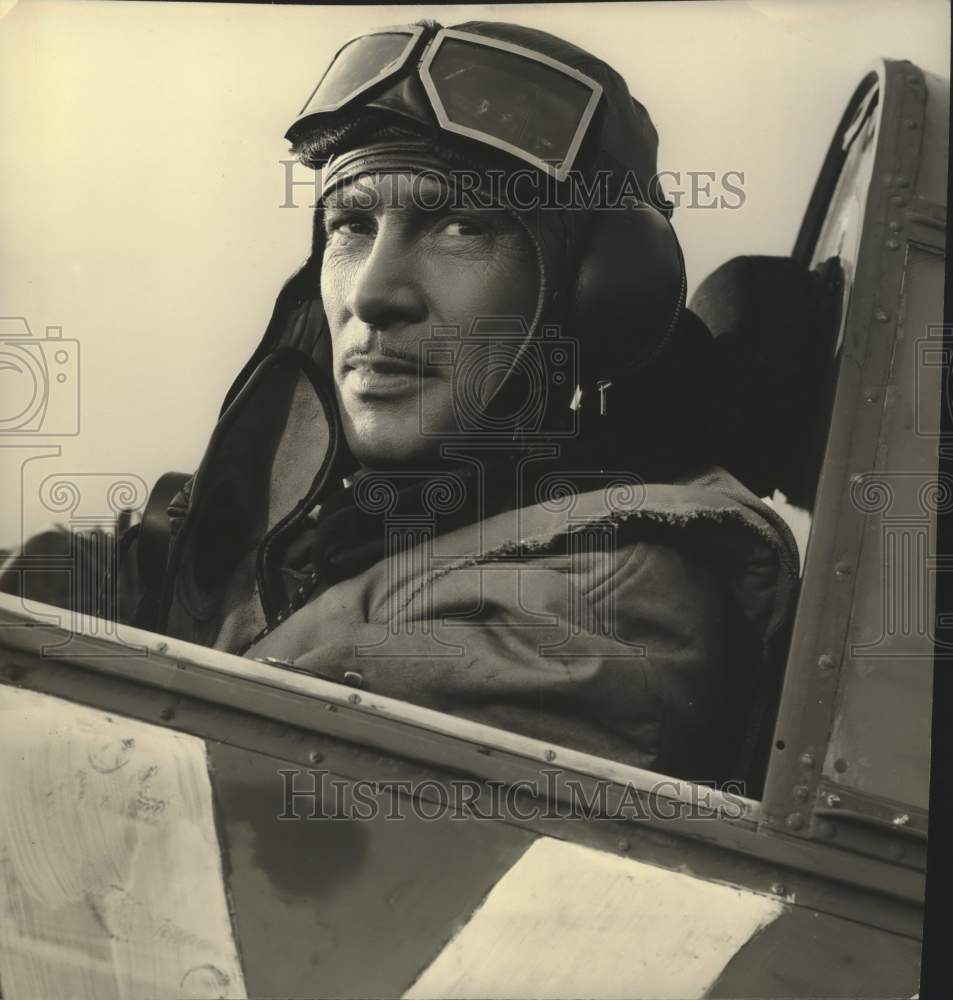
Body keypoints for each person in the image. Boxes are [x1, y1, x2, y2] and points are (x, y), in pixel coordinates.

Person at [1, 20, 798, 782]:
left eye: (457, 227)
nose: (374, 294)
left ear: (599, 299)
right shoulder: (367, 525)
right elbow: (151, 577)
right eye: (350, 224)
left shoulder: (597, 616)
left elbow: (183, 778)